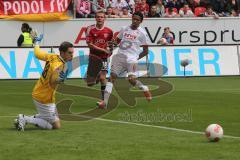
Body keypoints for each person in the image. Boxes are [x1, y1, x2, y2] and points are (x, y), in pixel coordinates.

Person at [14, 36, 74, 131]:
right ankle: (24, 118)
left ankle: (33, 117)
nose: (72, 55)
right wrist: (61, 79)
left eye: (72, 52)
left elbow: (37, 54)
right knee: (55, 126)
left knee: (51, 118)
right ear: (62, 53)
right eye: (69, 53)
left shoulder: (52, 56)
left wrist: (37, 43)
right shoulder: (58, 65)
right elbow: (53, 81)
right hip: (44, 98)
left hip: (39, 91)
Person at [97, 11, 152, 109]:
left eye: (137, 20)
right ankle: (104, 102)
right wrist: (111, 47)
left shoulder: (143, 33)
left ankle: (144, 88)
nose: (135, 21)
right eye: (133, 19)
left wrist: (135, 58)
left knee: (131, 80)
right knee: (112, 78)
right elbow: (116, 42)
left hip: (132, 59)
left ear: (141, 21)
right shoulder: (124, 29)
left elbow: (146, 51)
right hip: (120, 57)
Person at [85, 10, 113, 100]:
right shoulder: (90, 30)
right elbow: (90, 45)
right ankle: (96, 77)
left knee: (102, 78)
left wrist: (110, 51)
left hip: (104, 57)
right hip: (93, 57)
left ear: (104, 19)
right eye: (98, 17)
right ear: (95, 18)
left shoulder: (109, 31)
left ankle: (103, 100)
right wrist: (103, 49)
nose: (100, 18)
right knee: (90, 84)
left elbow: (111, 44)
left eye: (101, 17)